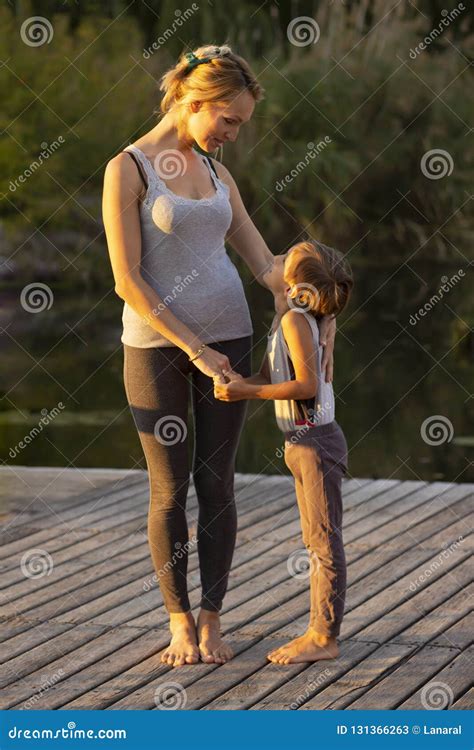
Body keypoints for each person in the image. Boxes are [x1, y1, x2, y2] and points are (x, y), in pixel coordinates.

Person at [102, 43, 337, 668]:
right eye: (227, 120)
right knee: (169, 490)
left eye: (240, 123)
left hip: (230, 339)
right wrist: (196, 350)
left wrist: (312, 302)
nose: (232, 134)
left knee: (217, 483)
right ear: (193, 100)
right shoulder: (128, 168)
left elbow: (262, 265)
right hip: (156, 348)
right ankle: (178, 621)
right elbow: (127, 280)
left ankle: (212, 620)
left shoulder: (216, 173)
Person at [214, 239, 353, 663]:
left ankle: (323, 637)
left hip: (315, 443)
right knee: (316, 538)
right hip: (302, 445)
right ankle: (318, 631)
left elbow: (307, 387)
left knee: (323, 541)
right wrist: (240, 383)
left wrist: (245, 396)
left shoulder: (295, 322)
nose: (271, 263)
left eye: (281, 263)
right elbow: (270, 374)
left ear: (295, 287)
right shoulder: (289, 320)